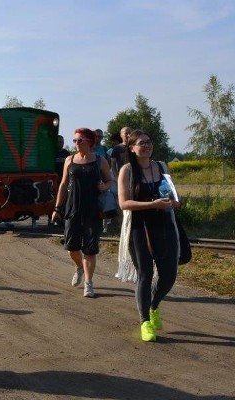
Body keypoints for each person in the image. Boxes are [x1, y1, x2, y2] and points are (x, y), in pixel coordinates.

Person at [117, 130, 181, 342]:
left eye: (148, 142)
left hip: (165, 225)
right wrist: (151, 204)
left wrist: (173, 203)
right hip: (139, 227)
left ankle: (154, 306)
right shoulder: (127, 170)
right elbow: (124, 203)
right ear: (132, 148)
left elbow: (174, 197)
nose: (146, 145)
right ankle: (145, 321)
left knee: (169, 274)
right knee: (145, 274)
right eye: (141, 143)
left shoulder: (162, 167)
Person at [51, 128, 113, 298]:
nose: (77, 143)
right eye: (75, 141)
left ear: (90, 142)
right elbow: (63, 185)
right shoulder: (69, 160)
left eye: (80, 140)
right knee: (71, 248)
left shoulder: (100, 161)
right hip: (72, 208)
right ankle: (79, 267)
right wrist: (57, 208)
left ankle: (88, 283)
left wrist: (105, 186)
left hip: (93, 210)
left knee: (90, 249)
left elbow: (110, 181)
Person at [52, 135, 71, 227]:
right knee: (53, 199)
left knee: (64, 199)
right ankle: (52, 218)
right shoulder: (51, 152)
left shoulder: (66, 153)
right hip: (53, 181)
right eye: (59, 141)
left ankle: (62, 219)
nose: (61, 143)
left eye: (62, 142)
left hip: (63, 180)